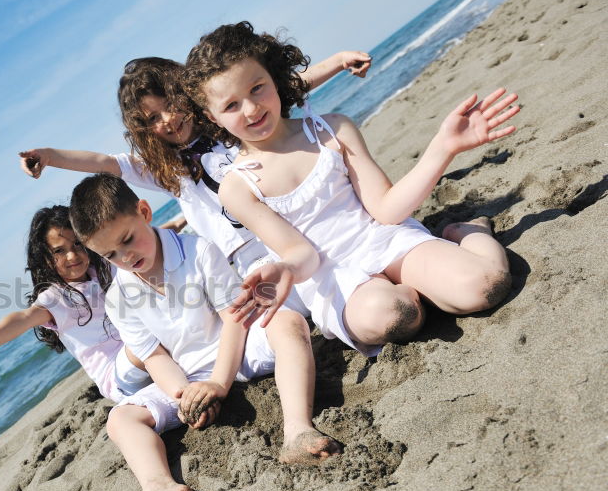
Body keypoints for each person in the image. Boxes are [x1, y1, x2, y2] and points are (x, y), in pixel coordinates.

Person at [182, 21, 517, 355]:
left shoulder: (332, 129)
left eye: (257, 88)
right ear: (212, 118)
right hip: (333, 276)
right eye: (231, 105)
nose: (252, 109)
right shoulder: (237, 188)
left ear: (274, 77)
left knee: (487, 286)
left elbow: (386, 209)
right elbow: (303, 255)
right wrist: (285, 268)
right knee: (396, 316)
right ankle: (414, 289)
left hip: (385, 239)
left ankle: (467, 232)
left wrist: (443, 148)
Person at [69, 174, 341, 491]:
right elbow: (155, 357)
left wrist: (219, 382)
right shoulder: (119, 297)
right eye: (110, 255)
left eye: (127, 240)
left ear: (144, 212)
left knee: (288, 323)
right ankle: (160, 489)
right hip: (186, 374)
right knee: (120, 419)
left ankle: (297, 429)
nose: (125, 258)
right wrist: (185, 397)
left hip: (236, 348)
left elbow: (234, 317)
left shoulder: (197, 251)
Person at [19, 50, 371, 283]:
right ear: (143, 129)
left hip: (294, 231)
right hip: (246, 259)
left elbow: (282, 90)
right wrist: (50, 156)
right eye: (153, 118)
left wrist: (339, 62)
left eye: (171, 104)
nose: (168, 119)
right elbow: (106, 162)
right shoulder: (164, 168)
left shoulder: (229, 127)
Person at [0, 205, 150, 402]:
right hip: (118, 375)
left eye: (77, 243)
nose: (72, 255)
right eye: (59, 251)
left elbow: (141, 255)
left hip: (144, 353)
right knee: (149, 334)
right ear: (46, 259)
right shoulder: (55, 298)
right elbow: (23, 318)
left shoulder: (104, 268)